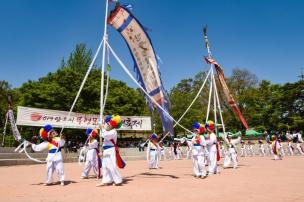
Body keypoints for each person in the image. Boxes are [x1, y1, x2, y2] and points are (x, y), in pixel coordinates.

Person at [97, 115, 125, 186]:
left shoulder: (113, 131)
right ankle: (107, 180)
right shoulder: (107, 131)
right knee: (104, 166)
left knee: (112, 166)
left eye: (108, 124)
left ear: (112, 125)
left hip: (111, 150)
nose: (107, 125)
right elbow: (104, 136)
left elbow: (105, 135)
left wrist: (102, 128)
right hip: (106, 150)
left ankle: (118, 180)